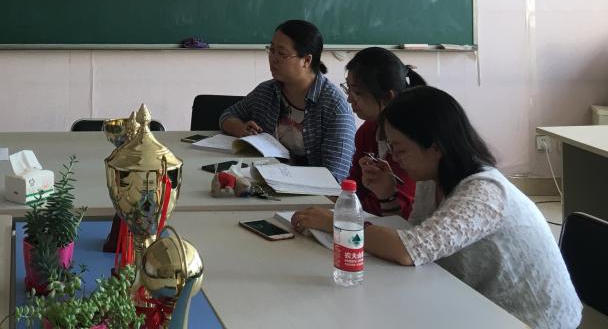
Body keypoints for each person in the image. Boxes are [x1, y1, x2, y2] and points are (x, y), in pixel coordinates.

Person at [291, 87, 582, 329]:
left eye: (400, 149)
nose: (395, 159)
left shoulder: (485, 193)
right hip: (471, 302)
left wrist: (336, 223)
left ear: (436, 146)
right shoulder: (432, 179)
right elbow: (413, 235)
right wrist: (388, 197)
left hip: (528, 319)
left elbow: (408, 249)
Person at [219, 19, 355, 181]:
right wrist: (242, 129)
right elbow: (227, 116)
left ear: (306, 61)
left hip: (311, 192)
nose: (273, 58)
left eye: (282, 54)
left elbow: (335, 177)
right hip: (267, 184)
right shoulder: (267, 91)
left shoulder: (335, 107)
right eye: (272, 50)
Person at [342, 46, 426, 218]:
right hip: (373, 221)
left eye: (357, 92)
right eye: (348, 88)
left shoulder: (410, 139)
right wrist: (340, 204)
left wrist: (340, 214)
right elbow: (355, 186)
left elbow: (400, 207)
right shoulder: (367, 131)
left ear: (388, 97)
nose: (349, 98)